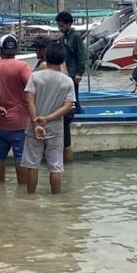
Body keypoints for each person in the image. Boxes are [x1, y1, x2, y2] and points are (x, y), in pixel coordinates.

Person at [21, 43, 75, 194]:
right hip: (55, 127)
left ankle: (30, 198)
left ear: (45, 57)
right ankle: (56, 200)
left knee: (32, 165)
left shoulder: (35, 77)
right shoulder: (67, 81)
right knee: (56, 166)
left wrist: (36, 121)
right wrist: (47, 119)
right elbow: (67, 106)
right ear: (62, 59)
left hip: (34, 125)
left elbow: (28, 100)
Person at [0, 35, 31, 184]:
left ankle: (0, 187)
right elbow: (32, 88)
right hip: (19, 121)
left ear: (0, 49)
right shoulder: (22, 67)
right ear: (15, 49)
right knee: (20, 156)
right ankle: (22, 189)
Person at [56, 12, 85, 162]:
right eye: (59, 25)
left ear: (68, 24)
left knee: (74, 99)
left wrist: (80, 72)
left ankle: (75, 114)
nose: (60, 28)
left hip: (73, 74)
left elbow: (81, 55)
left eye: (62, 25)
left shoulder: (75, 37)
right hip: (64, 73)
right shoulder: (62, 38)